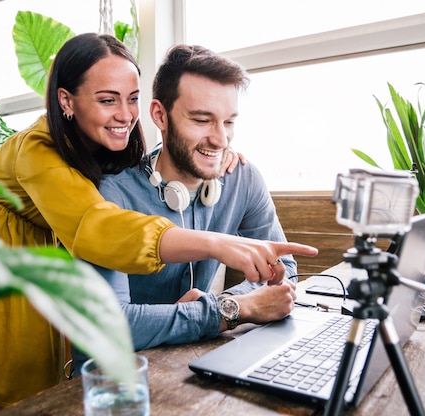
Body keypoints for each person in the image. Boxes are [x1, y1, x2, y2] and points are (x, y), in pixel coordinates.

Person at [0, 33, 318, 410]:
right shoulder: (39, 152)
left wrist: (222, 303)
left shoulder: (117, 150)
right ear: (66, 100)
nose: (124, 113)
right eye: (107, 99)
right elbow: (97, 227)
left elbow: (282, 271)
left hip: (56, 276)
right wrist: (216, 247)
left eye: (132, 98)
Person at [71, 44, 306, 371]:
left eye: (229, 122)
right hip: (115, 380)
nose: (221, 140)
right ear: (159, 116)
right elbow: (110, 329)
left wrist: (220, 306)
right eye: (201, 120)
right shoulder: (112, 196)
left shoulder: (243, 178)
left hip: (187, 367)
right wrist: (231, 308)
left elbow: (283, 271)